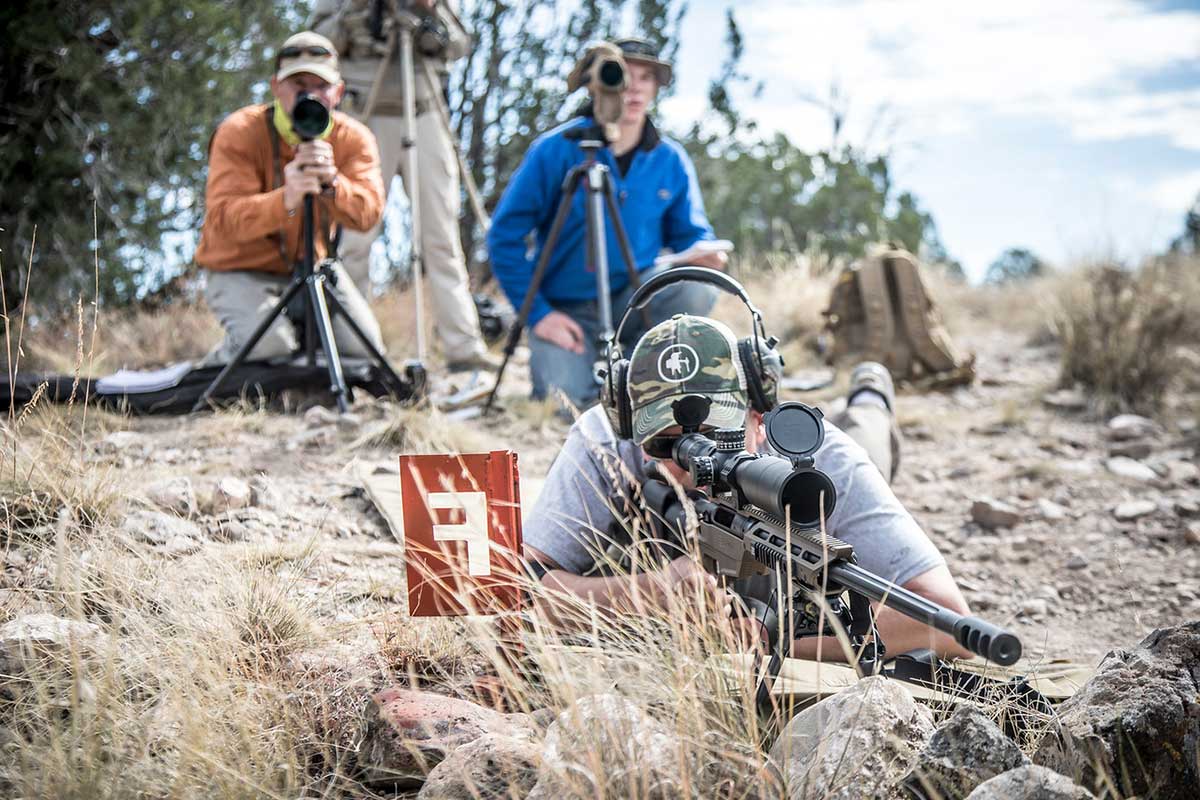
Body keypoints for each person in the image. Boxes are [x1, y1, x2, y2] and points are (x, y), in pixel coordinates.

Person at [522, 311, 974, 661]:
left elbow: (947, 620)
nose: (692, 463)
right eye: (665, 445)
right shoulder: (604, 439)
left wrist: (776, 642)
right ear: (632, 432)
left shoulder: (827, 463)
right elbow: (515, 591)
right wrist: (645, 593)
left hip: (837, 452)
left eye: (719, 437)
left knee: (867, 432)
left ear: (759, 417)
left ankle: (871, 389)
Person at [487, 38, 727, 407]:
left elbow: (691, 234)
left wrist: (703, 255)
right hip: (565, 308)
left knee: (697, 285)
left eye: (646, 77)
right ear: (596, 81)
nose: (633, 87)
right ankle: (590, 380)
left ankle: (644, 370)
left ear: (655, 88)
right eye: (622, 74)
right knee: (564, 405)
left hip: (637, 298)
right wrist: (538, 314)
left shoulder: (670, 159)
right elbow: (504, 236)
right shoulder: (556, 150)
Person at [311, 0, 496, 372]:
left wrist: (429, 12)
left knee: (441, 237)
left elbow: (459, 44)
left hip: (425, 111)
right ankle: (353, 346)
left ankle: (463, 346)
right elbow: (320, 45)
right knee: (355, 237)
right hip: (366, 111)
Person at [196, 31, 386, 365]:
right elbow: (223, 220)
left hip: (312, 270)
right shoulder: (239, 131)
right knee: (269, 347)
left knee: (365, 353)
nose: (309, 95)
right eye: (298, 85)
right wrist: (286, 198)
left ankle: (296, 364)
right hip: (240, 269)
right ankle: (206, 374)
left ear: (338, 92)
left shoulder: (354, 138)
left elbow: (368, 213)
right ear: (276, 87)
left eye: (320, 86)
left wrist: (333, 184)